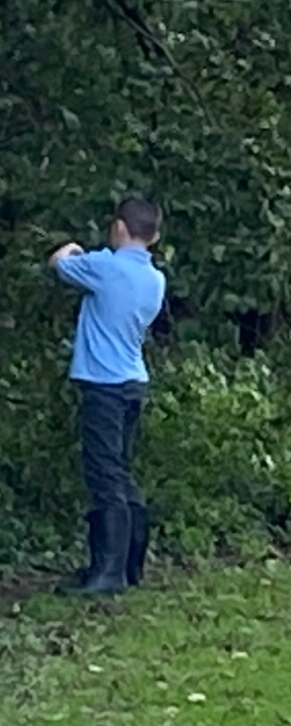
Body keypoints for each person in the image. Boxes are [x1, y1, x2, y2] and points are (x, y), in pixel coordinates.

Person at [47, 195, 167, 596]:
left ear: (118, 228)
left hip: (104, 384)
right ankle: (131, 564)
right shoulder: (155, 279)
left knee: (103, 473)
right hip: (134, 382)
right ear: (154, 236)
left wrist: (73, 247)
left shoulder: (104, 266)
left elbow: (59, 263)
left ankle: (108, 571)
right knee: (120, 469)